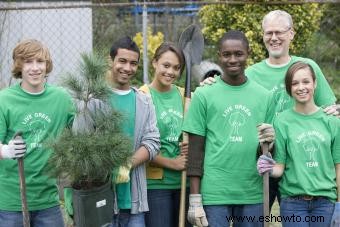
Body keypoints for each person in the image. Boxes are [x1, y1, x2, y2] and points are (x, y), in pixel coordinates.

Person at [201, 10, 338, 208]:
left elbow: (328, 110)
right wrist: (211, 82)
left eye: (279, 32)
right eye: (268, 33)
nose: (274, 38)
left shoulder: (307, 67)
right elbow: (228, 92)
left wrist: (337, 110)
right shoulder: (251, 73)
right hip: (263, 159)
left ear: (291, 33)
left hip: (299, 166)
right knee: (258, 218)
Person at [182, 30, 275, 227]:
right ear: (219, 56)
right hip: (215, 193)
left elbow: (265, 152)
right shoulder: (204, 95)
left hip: (252, 193)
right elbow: (195, 151)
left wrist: (270, 142)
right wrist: (195, 200)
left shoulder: (265, 96)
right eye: (226, 54)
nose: (232, 59)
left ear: (248, 53)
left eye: (238, 54)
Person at [0, 39, 75, 226]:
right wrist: (5, 151)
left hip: (48, 200)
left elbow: (82, 130)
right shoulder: (4, 100)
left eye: (40, 61)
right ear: (19, 66)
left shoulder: (61, 99)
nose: (35, 68)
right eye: (28, 62)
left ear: (47, 65)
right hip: (11, 202)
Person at [257, 61, 340, 227]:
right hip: (293, 204)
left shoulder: (332, 121)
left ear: (315, 83)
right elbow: (280, 168)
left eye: (306, 81)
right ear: (289, 88)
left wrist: (339, 205)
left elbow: (338, 167)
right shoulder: (281, 121)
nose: (301, 87)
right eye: (295, 83)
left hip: (325, 203)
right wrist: (267, 167)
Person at [108, 36, 160, 227]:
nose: (127, 68)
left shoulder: (144, 101)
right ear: (110, 61)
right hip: (103, 198)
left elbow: (153, 142)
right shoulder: (95, 100)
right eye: (122, 61)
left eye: (133, 63)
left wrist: (126, 165)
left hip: (134, 201)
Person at [139, 42, 190, 227]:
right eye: (166, 65)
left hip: (184, 183)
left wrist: (190, 144)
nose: (171, 72)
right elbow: (138, 146)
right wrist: (172, 163)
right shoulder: (142, 96)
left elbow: (195, 133)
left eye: (176, 68)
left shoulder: (185, 96)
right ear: (154, 63)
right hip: (156, 186)